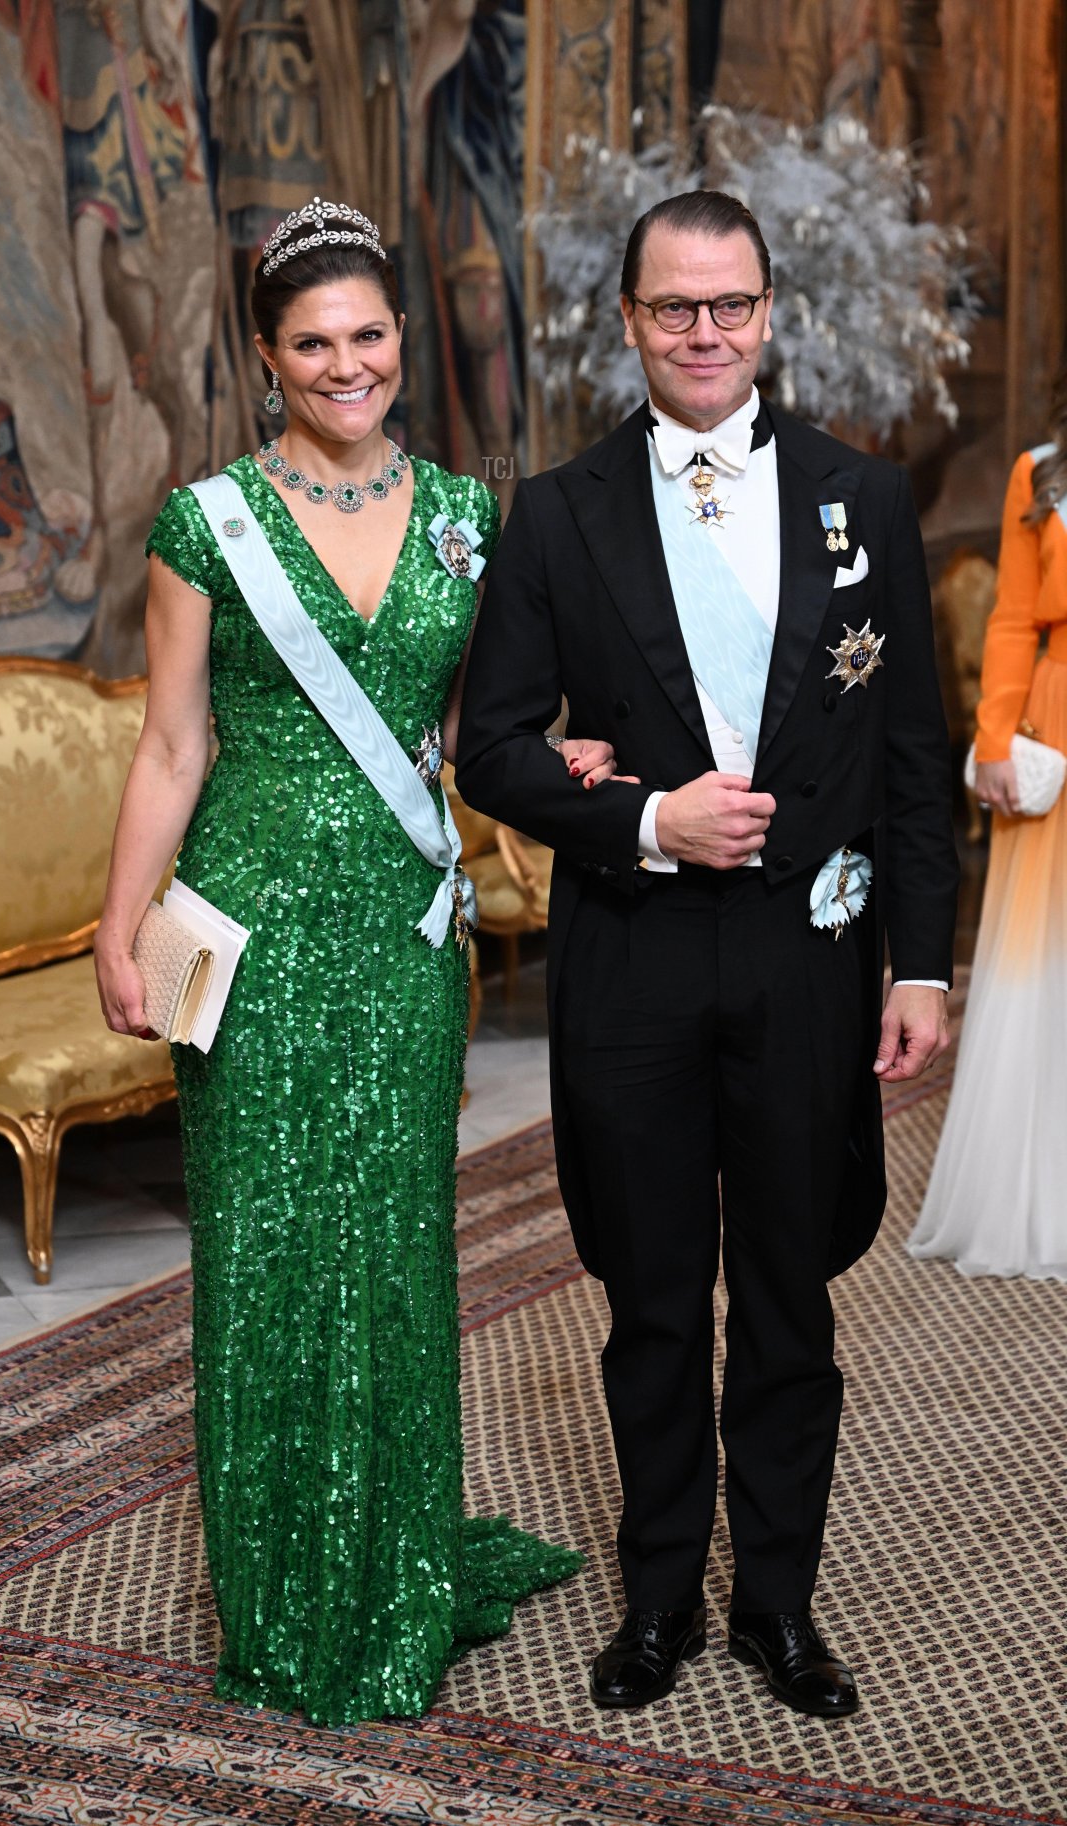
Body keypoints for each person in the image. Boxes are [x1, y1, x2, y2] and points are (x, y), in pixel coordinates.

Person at [94, 198, 607, 1726]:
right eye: (311, 342)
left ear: (402, 340)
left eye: (368, 335)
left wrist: (560, 755)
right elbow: (173, 741)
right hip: (248, 929)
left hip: (399, 933)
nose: (346, 364)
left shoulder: (468, 512)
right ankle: (280, 1586)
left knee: (390, 1245)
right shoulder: (207, 520)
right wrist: (121, 929)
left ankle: (390, 1567)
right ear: (268, 357)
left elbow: (478, 728)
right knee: (261, 1246)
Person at [455, 190, 959, 1720]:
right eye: (675, 308)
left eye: (731, 305)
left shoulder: (862, 497)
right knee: (655, 1293)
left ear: (767, 310)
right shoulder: (556, 508)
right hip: (637, 957)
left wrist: (922, 964)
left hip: (812, 960)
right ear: (629, 320)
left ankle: (779, 1607)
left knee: (792, 1301)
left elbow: (913, 757)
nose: (705, 333)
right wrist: (650, 815)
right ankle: (661, 1597)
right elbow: (491, 748)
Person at [908, 379, 1067, 1278]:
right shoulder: (1037, 476)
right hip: (1056, 725)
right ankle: (1038, 1195)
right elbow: (1011, 619)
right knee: (1043, 960)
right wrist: (995, 737)